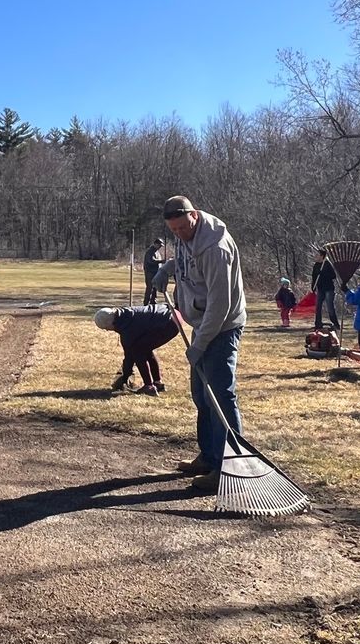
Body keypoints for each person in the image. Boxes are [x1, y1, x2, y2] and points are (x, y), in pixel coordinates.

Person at [151, 195, 247, 493]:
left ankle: (229, 468)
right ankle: (208, 456)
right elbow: (183, 256)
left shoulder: (216, 248)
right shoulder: (186, 236)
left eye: (182, 227)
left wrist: (199, 345)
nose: (179, 234)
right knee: (201, 395)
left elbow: (221, 305)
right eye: (173, 230)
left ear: (194, 214)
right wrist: (166, 270)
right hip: (202, 324)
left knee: (220, 396)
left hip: (222, 327)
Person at [93, 304, 176, 395]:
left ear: (111, 323)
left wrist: (124, 377)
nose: (107, 331)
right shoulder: (125, 313)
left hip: (168, 324)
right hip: (172, 315)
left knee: (138, 352)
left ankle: (149, 386)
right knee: (145, 349)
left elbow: (129, 358)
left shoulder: (127, 332)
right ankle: (157, 383)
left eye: (106, 328)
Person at [310, 248, 340, 332]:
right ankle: (318, 324)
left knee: (330, 307)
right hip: (320, 288)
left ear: (322, 256)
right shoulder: (316, 265)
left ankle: (336, 324)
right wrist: (313, 287)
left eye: (317, 255)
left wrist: (323, 273)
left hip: (328, 289)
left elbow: (333, 276)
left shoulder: (327, 264)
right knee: (318, 306)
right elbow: (314, 277)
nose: (315, 256)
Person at [142, 238, 165, 305]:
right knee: (150, 288)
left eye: (161, 246)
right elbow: (151, 261)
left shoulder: (156, 252)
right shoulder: (150, 251)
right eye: (159, 245)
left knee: (155, 288)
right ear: (155, 244)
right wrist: (161, 261)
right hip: (150, 273)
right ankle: (146, 303)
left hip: (156, 273)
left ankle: (153, 302)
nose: (160, 247)